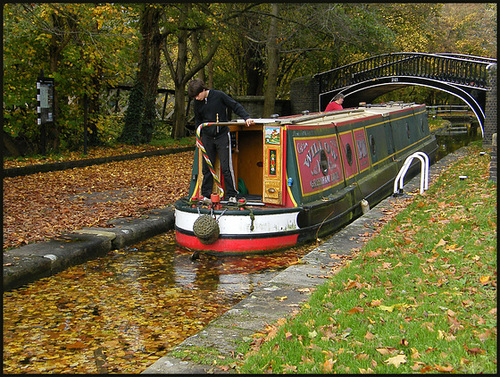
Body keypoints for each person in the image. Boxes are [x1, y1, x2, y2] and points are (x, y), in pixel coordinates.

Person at [187, 78, 254, 203]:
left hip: (222, 135)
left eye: (197, 95)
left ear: (203, 90)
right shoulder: (197, 103)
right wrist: (198, 136)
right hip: (207, 136)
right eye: (194, 97)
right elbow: (198, 120)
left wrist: (246, 117)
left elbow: (235, 105)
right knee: (207, 167)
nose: (196, 98)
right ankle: (205, 195)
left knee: (226, 167)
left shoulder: (218, 95)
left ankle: (232, 195)